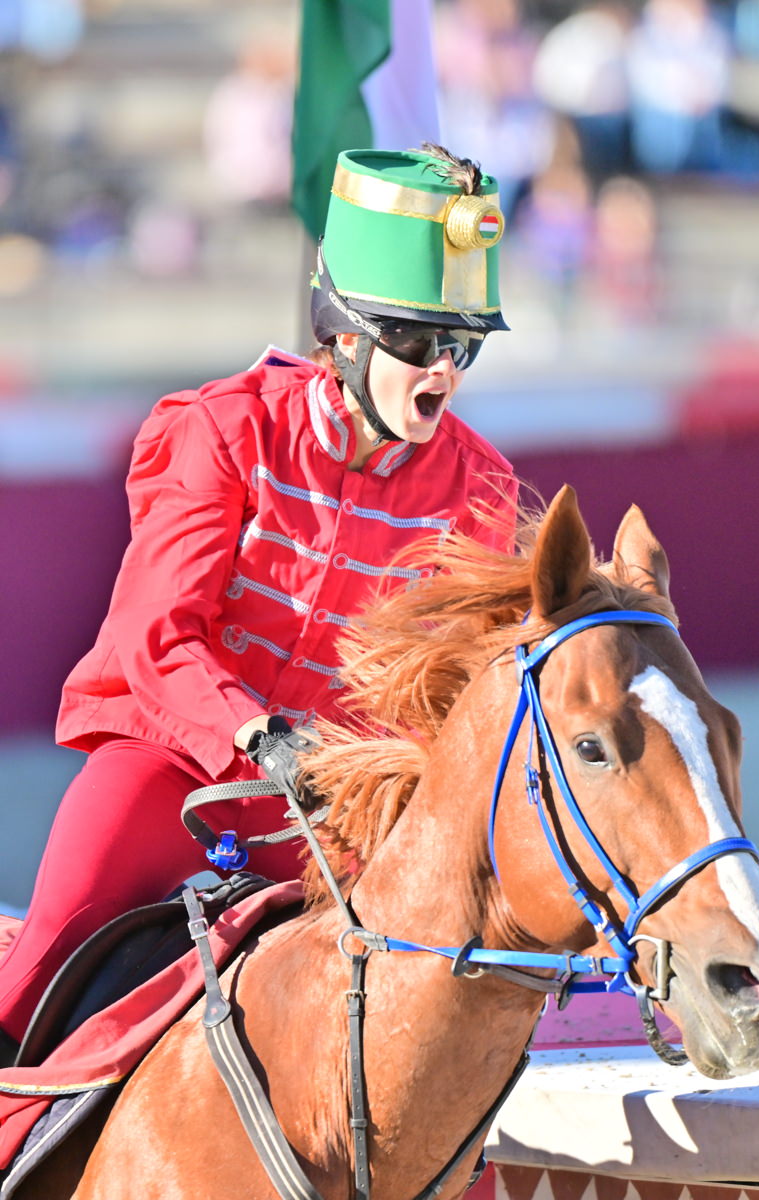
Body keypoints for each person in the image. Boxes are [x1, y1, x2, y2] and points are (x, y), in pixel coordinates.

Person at [0, 144, 518, 1068]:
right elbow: (158, 636)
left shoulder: (481, 488)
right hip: (170, 773)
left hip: (323, 817)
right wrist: (257, 733)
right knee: (36, 979)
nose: (442, 371)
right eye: (417, 343)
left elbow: (464, 695)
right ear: (346, 338)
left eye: (463, 347)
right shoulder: (225, 427)